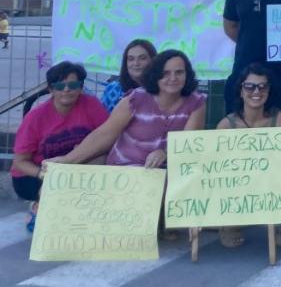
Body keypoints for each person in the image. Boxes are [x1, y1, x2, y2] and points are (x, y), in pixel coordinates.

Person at [55, 50, 207, 169]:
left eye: (179, 72)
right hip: (124, 171)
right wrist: (67, 160)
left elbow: (187, 147)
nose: (173, 78)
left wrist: (165, 154)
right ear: (155, 76)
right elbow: (105, 134)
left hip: (166, 175)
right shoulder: (136, 98)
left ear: (188, 75)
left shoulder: (196, 102)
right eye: (165, 73)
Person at [214, 63, 281, 252]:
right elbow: (217, 166)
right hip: (237, 181)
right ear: (240, 91)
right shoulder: (226, 124)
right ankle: (230, 222)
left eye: (263, 86)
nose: (257, 91)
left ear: (270, 91)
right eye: (250, 86)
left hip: (271, 177)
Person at [11, 61, 108, 230]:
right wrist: (44, 175)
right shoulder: (35, 118)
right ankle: (38, 206)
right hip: (35, 175)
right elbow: (20, 161)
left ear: (81, 87)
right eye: (59, 86)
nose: (66, 90)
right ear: (50, 89)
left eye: (73, 85)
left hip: (76, 168)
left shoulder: (91, 105)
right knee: (53, 206)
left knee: (104, 157)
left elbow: (107, 137)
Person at [100, 39, 157, 112]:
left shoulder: (162, 89)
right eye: (131, 59)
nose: (136, 63)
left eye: (142, 58)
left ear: (153, 60)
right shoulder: (113, 89)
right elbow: (102, 120)